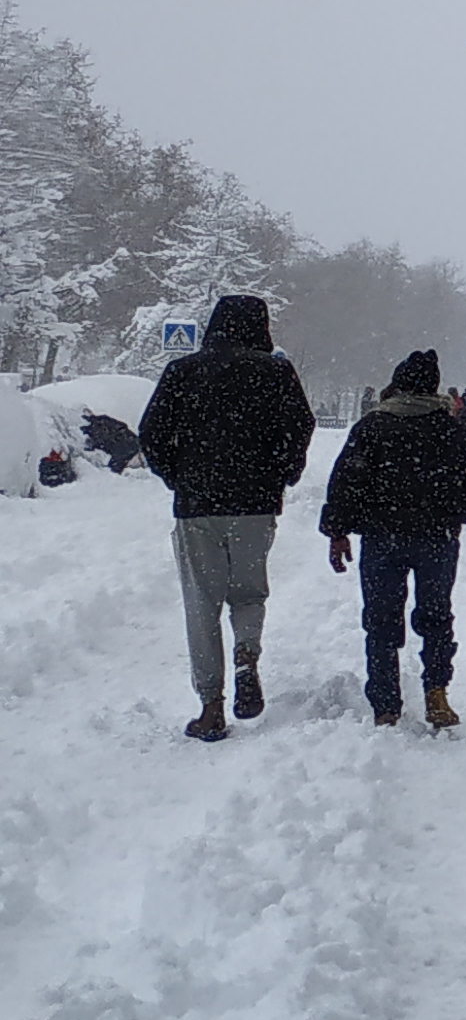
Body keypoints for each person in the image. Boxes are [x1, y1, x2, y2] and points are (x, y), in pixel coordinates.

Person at [135, 293, 316, 741]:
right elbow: (301, 425)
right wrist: (281, 472)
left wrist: (176, 475)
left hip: (198, 505)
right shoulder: (276, 372)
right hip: (255, 504)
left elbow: (150, 432)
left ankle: (211, 705)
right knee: (249, 592)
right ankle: (246, 654)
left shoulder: (183, 371)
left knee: (202, 603)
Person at [320, 348, 466, 731]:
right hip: (437, 540)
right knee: (436, 616)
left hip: (382, 540)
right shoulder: (452, 430)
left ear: (397, 385)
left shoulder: (372, 426)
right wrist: (452, 516)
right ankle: (437, 695)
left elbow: (346, 482)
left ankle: (385, 705)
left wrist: (338, 531)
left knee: (380, 620)